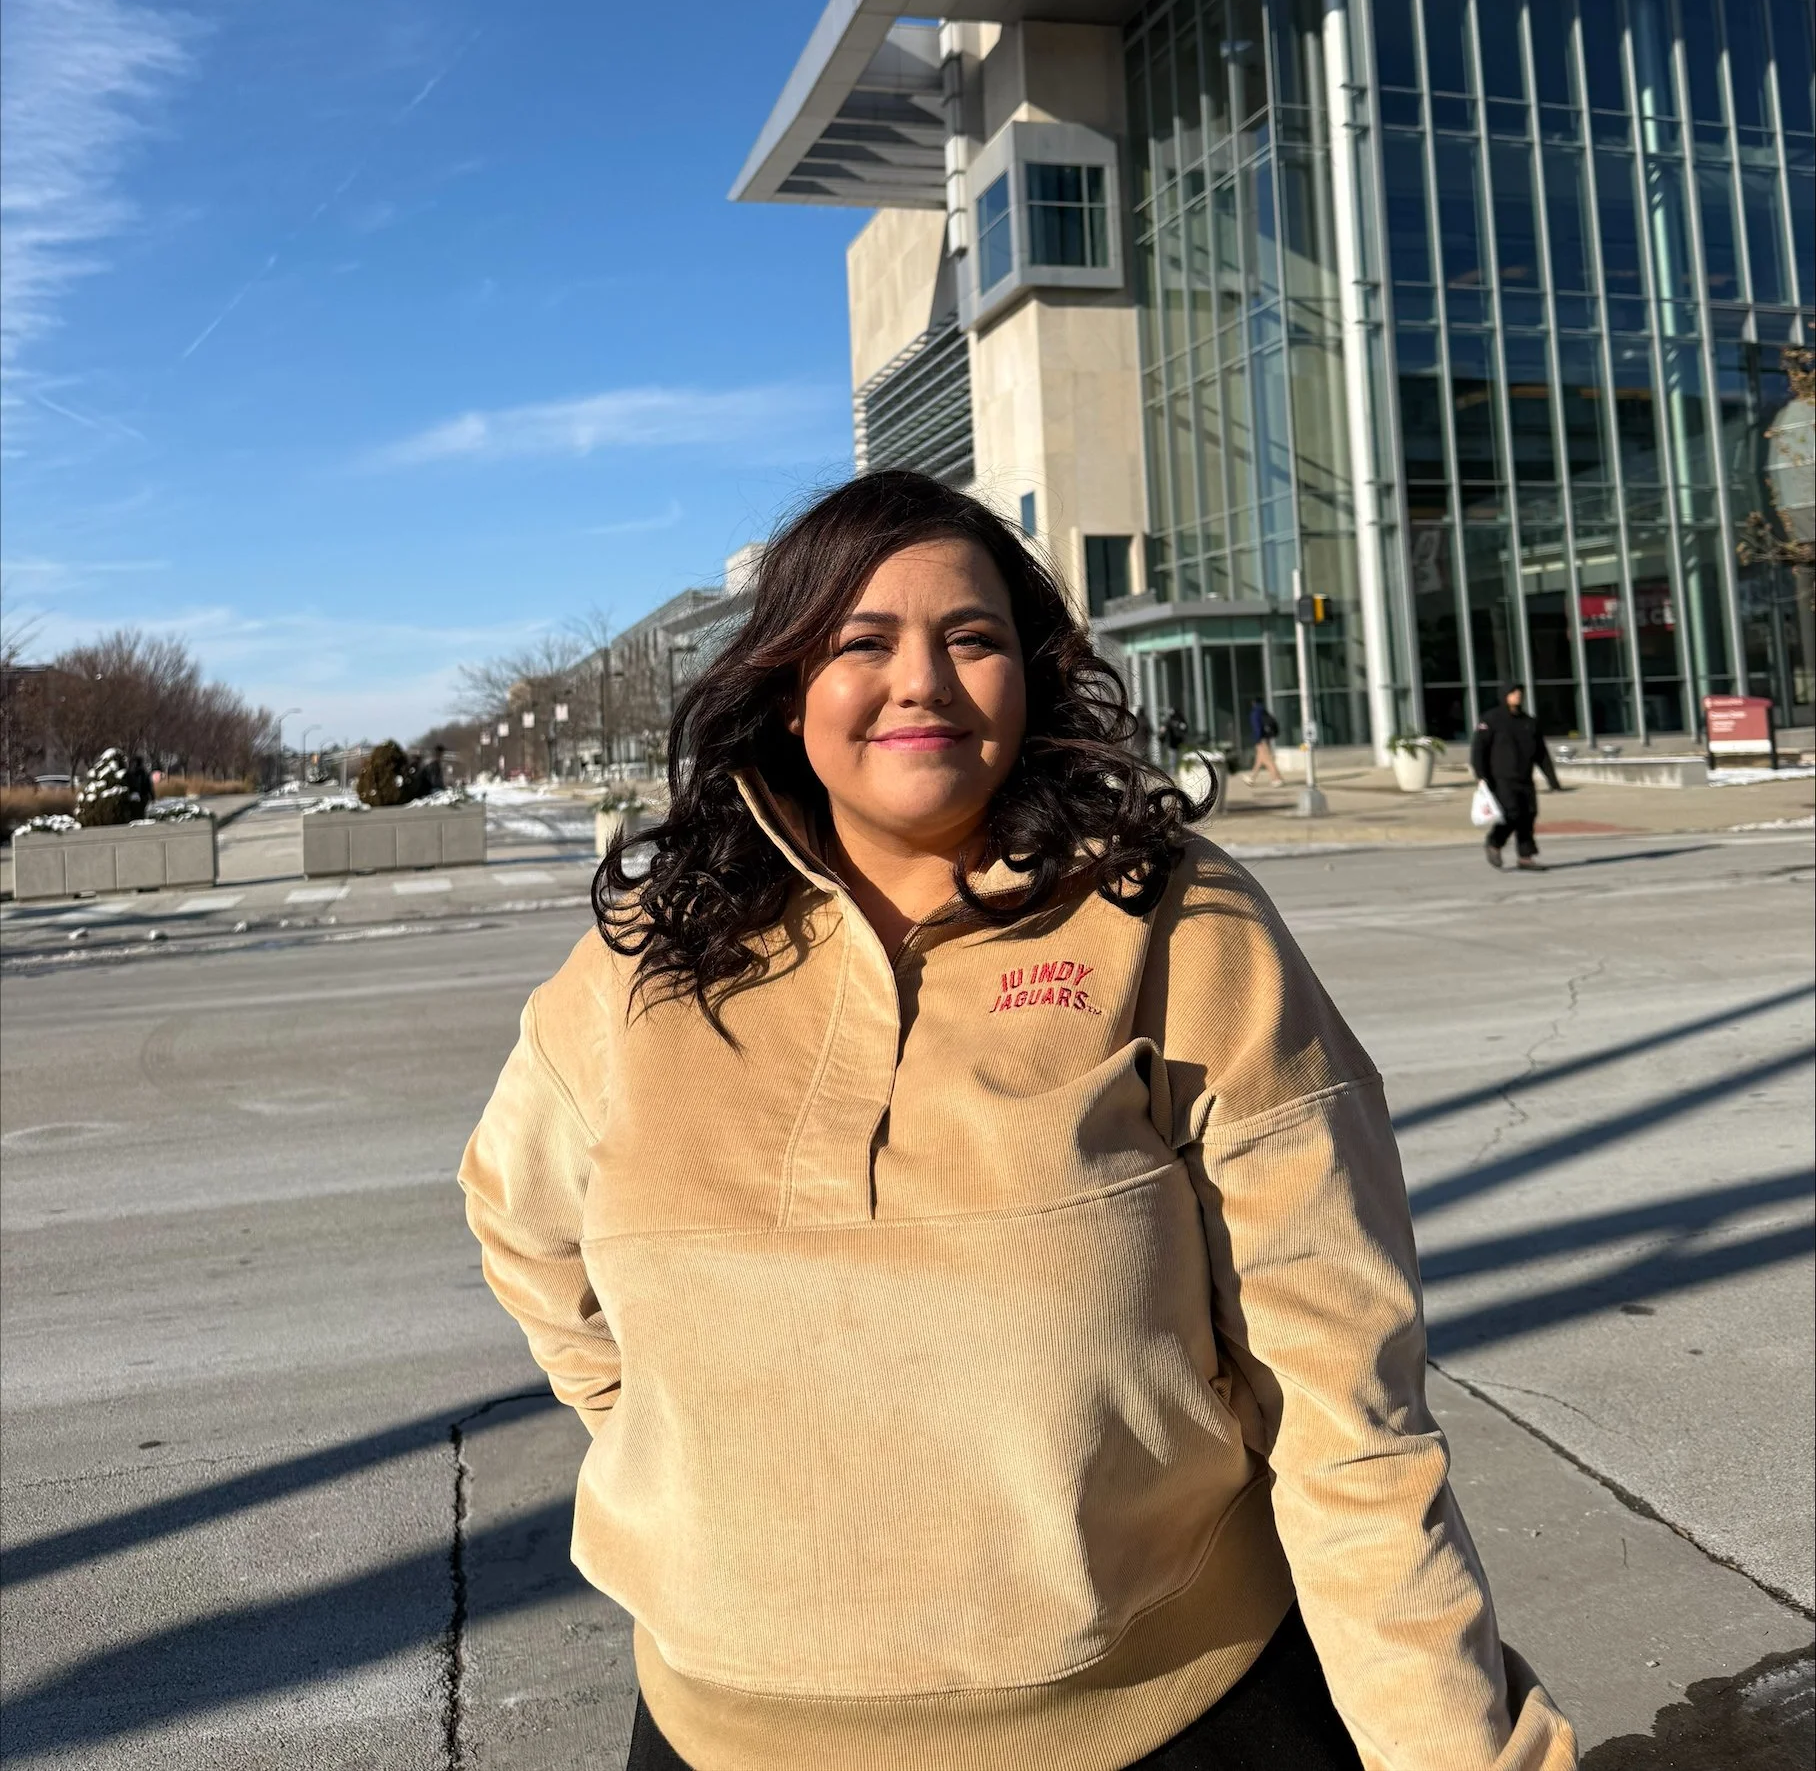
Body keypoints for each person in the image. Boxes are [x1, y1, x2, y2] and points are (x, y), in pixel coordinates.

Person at [461, 471, 1573, 1771]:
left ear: (1031, 676)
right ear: (784, 687)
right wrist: (680, 1445)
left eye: (971, 638)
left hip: (1178, 1721)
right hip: (721, 1735)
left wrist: (1449, 1750)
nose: (922, 679)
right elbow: (522, 1226)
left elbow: (1343, 1408)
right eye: (862, 643)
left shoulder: (1168, 918)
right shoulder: (650, 956)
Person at [1471, 683, 1562, 870]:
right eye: (1513, 693)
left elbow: (1541, 754)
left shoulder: (1529, 722)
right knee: (1511, 814)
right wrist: (1481, 776)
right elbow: (1479, 750)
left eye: (1520, 693)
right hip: (1500, 777)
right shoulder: (1491, 719)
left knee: (1528, 814)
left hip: (1525, 777)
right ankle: (1494, 842)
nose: (1517, 696)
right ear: (1504, 695)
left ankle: (1525, 857)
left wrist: (1552, 780)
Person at [1244, 694, 1285, 786]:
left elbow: (1257, 727)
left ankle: (1276, 779)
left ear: (1253, 703)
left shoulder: (1255, 713)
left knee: (1267, 760)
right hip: (1266, 738)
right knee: (1259, 759)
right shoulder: (1264, 711)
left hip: (1261, 739)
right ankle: (1252, 778)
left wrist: (1258, 739)